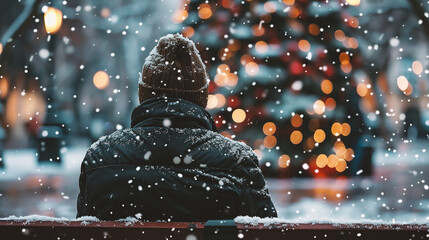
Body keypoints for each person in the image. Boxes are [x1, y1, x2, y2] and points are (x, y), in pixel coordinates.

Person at [76, 34, 277, 221]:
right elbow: (269, 233)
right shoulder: (237, 161)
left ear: (144, 94)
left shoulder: (101, 157)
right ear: (201, 97)